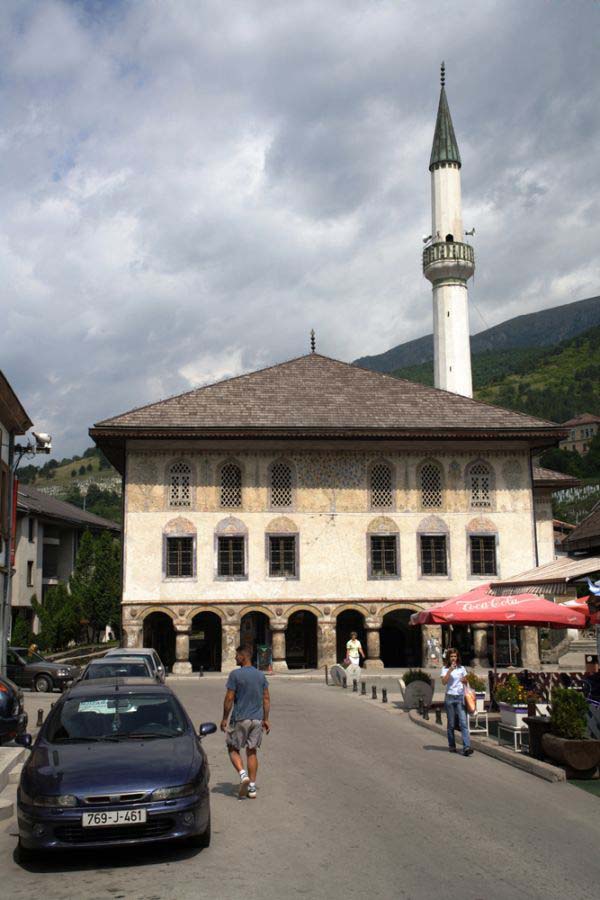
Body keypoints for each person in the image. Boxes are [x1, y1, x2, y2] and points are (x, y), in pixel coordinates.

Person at [221, 644, 271, 799]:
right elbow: (266, 698)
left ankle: (243, 775)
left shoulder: (235, 675)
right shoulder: (260, 675)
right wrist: (266, 719)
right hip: (257, 719)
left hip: (240, 718)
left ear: (243, 656)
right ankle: (252, 788)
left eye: (237, 656)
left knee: (232, 747)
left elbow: (229, 698)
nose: (235, 658)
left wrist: (224, 718)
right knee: (252, 751)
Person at [441, 647, 473, 757]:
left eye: (455, 656)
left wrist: (465, 680)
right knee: (451, 724)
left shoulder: (462, 668)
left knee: (463, 723)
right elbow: (444, 682)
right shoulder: (445, 669)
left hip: (460, 697)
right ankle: (452, 745)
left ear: (457, 657)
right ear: (448, 658)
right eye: (451, 657)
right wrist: (450, 670)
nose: (453, 659)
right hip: (450, 697)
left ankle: (466, 746)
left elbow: (467, 681)